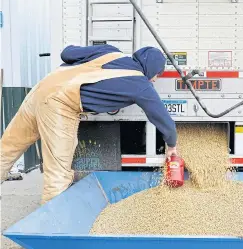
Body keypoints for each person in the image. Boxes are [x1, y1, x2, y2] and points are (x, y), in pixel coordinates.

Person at [0, 44, 178, 203]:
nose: (155, 79)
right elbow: (163, 119)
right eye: (157, 74)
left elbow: (67, 53)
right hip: (59, 105)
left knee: (8, 147)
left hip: (39, 91)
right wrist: (171, 145)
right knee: (58, 171)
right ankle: (53, 226)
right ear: (152, 69)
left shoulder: (110, 52)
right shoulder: (141, 85)